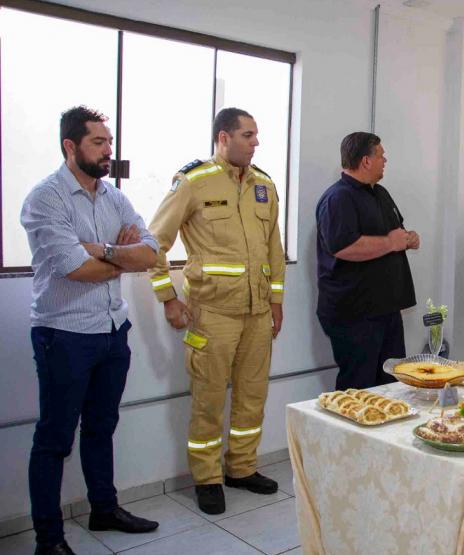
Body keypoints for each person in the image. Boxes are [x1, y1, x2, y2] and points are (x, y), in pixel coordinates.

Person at [21, 106, 159, 555]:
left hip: (111, 330)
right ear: (70, 146)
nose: (108, 151)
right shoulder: (47, 198)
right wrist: (119, 255)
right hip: (64, 335)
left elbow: (151, 252)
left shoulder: (113, 196)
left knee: (102, 426)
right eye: (98, 143)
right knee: (55, 438)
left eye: (109, 143)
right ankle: (49, 538)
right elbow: (75, 269)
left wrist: (102, 249)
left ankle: (104, 508)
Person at [147, 108, 285, 515]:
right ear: (223, 138)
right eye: (247, 135)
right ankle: (207, 477)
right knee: (208, 400)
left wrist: (277, 302)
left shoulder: (264, 185)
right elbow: (154, 242)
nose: (255, 142)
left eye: (256, 135)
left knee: (252, 396)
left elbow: (273, 250)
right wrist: (168, 297)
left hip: (258, 312)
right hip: (212, 314)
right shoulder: (193, 182)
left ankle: (241, 467)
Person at [315, 132, 419, 390]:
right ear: (366, 161)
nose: (386, 160)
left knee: (392, 384)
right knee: (359, 388)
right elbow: (342, 247)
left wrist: (408, 238)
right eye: (381, 155)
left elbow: (394, 232)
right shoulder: (338, 198)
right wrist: (391, 243)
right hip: (355, 315)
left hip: (387, 309)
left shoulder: (380, 193)